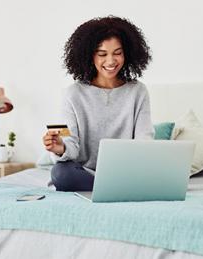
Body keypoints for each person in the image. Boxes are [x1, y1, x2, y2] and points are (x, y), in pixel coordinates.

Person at [42, 16, 154, 192]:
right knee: (61, 173)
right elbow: (70, 143)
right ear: (89, 55)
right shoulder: (73, 94)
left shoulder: (138, 92)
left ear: (127, 53)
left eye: (117, 53)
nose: (111, 61)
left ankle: (112, 187)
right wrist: (60, 147)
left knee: (153, 172)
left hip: (127, 173)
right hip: (84, 173)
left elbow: (144, 141)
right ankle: (116, 188)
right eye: (102, 54)